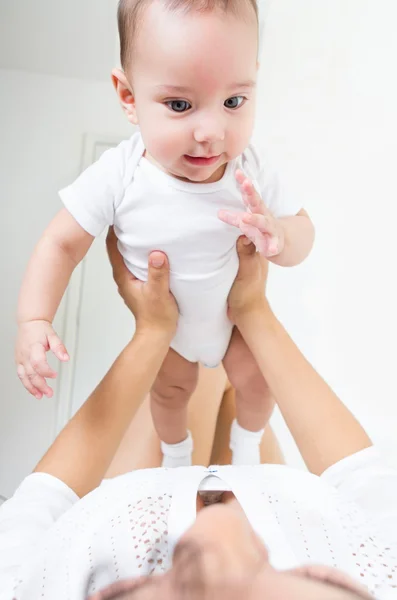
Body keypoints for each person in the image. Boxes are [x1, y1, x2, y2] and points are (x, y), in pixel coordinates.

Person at [2, 232, 396, 600]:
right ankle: (240, 438)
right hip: (284, 494)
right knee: (232, 373)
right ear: (339, 581)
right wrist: (254, 310)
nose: (213, 533)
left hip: (138, 499)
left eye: (181, 582)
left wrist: (153, 332)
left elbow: (44, 498)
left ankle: (195, 439)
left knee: (197, 371)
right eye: (267, 572)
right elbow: (359, 476)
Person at [14, 0, 315, 469]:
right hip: (169, 334)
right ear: (128, 96)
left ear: (254, 81)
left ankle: (246, 446)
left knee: (259, 381)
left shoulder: (251, 168)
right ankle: (177, 457)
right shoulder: (120, 173)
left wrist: (281, 236)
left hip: (235, 326)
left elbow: (304, 230)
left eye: (234, 102)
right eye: (180, 104)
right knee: (170, 393)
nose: (211, 131)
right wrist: (34, 319)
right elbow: (61, 243)